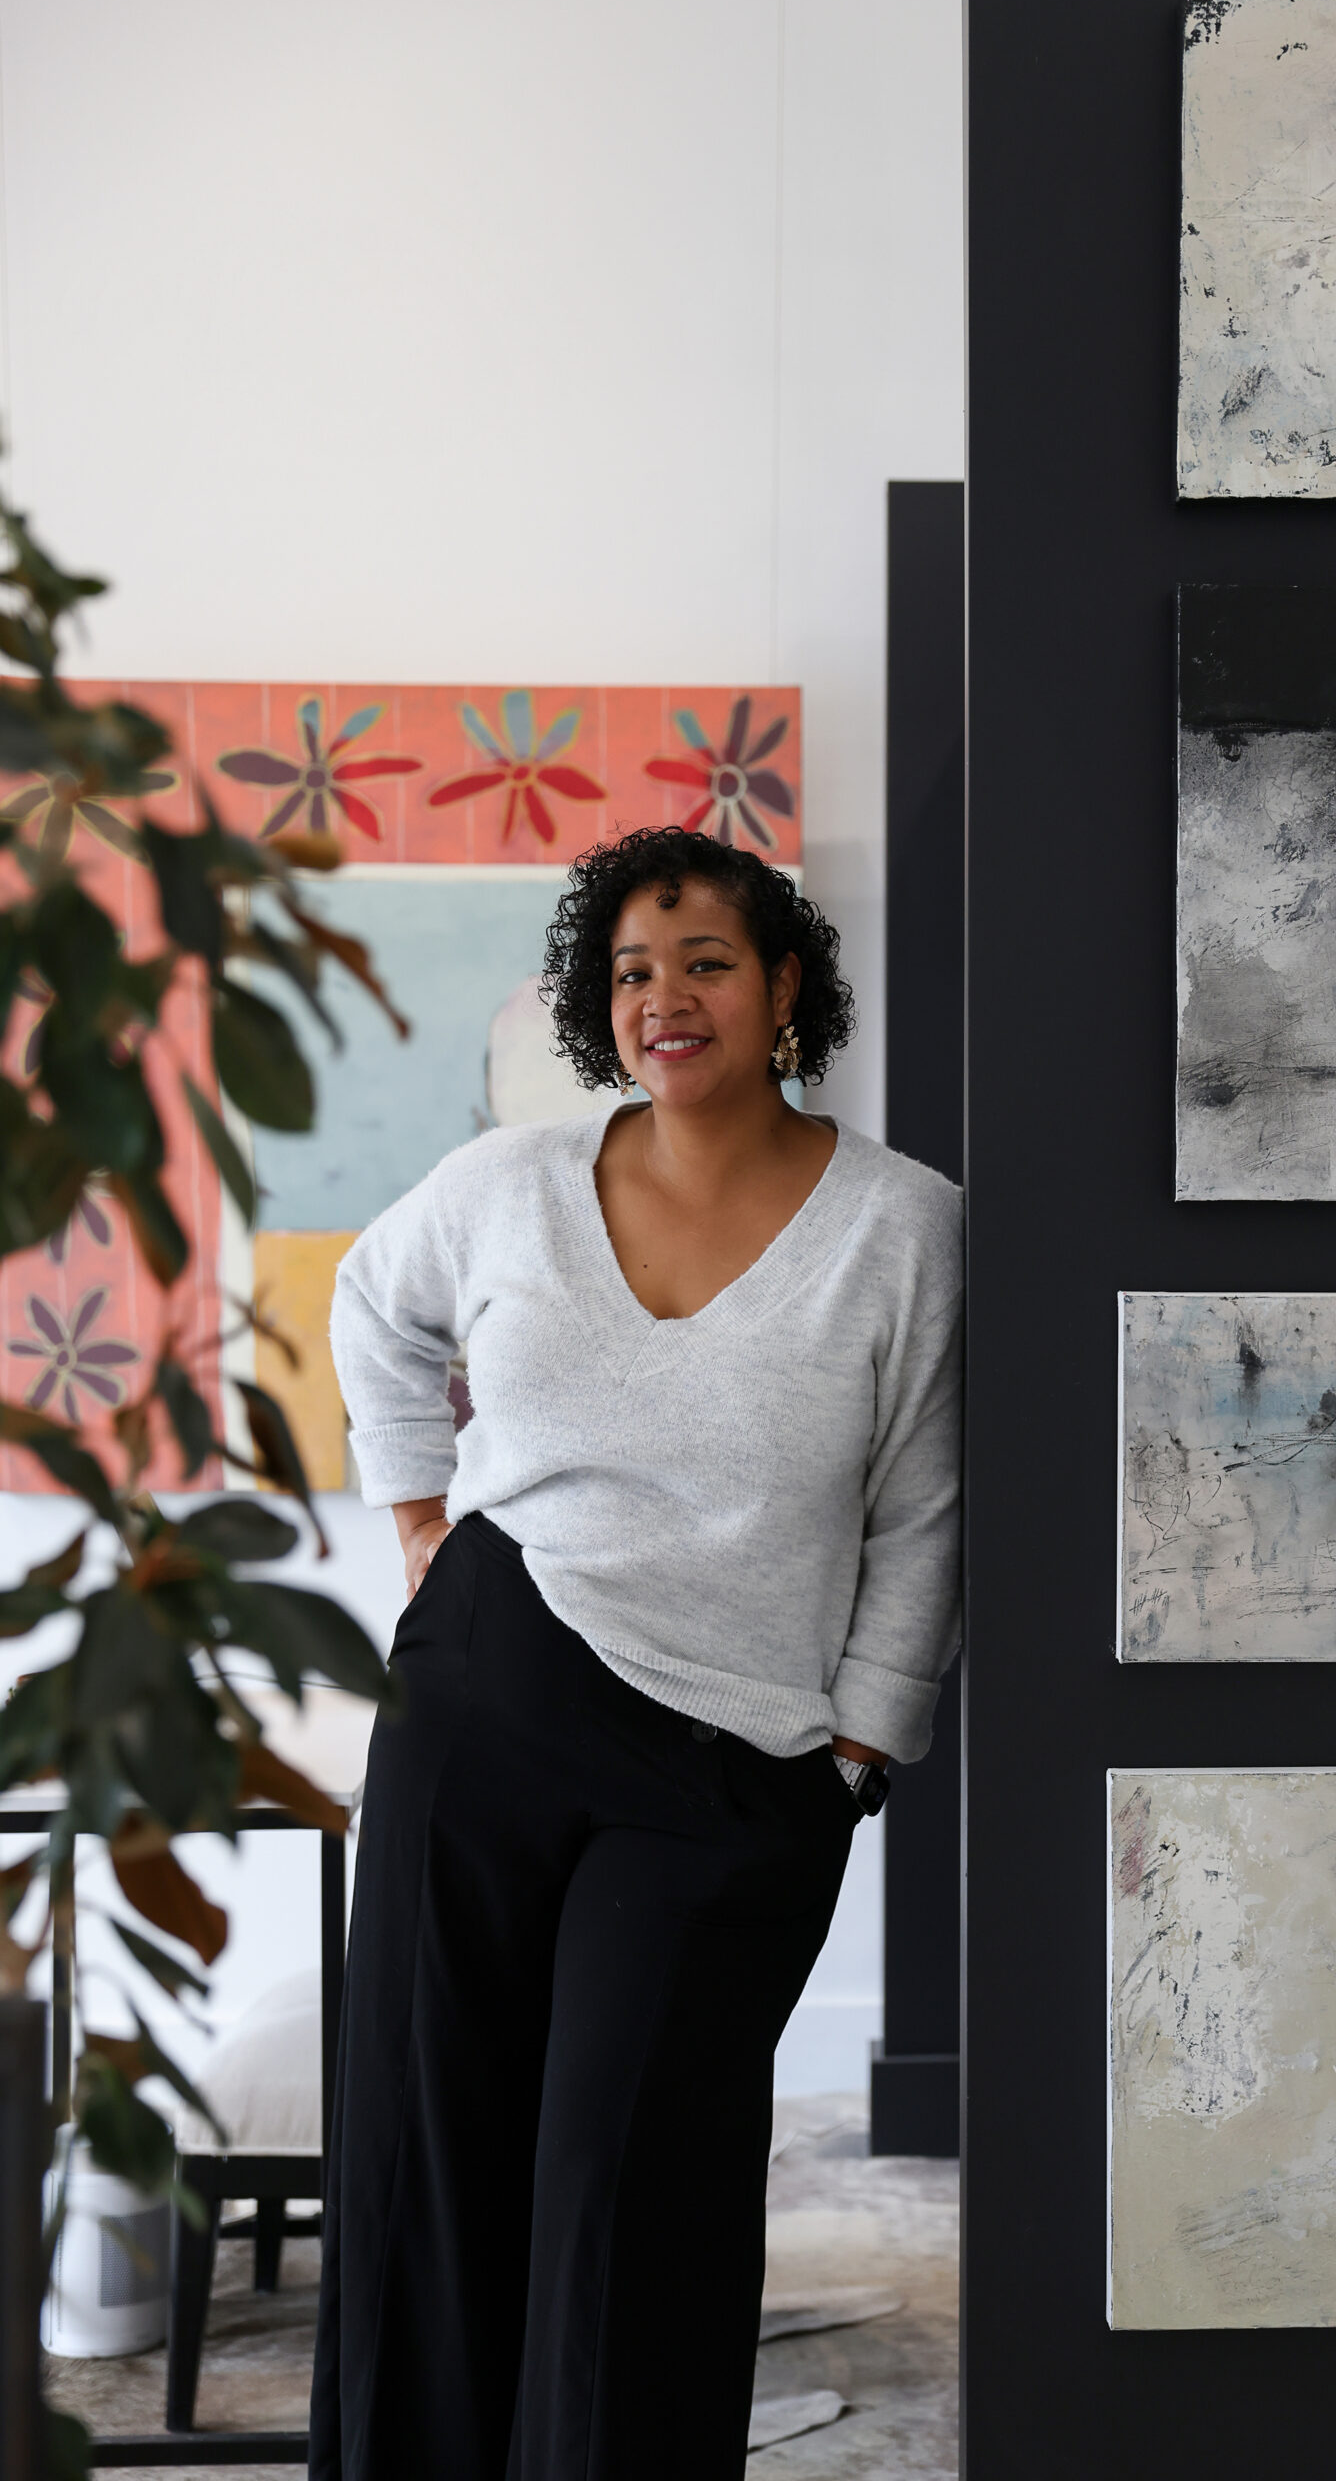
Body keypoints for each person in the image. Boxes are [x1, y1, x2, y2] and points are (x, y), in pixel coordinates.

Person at [308, 826, 962, 2480]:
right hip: (487, 1702)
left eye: (707, 964)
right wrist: (413, 1521)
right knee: (426, 2151)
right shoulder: (508, 1183)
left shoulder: (906, 1230)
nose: (666, 999)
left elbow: (928, 1506)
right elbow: (372, 1309)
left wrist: (869, 1740)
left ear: (785, 985)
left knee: (634, 2194)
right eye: (631, 972)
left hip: (732, 1769)